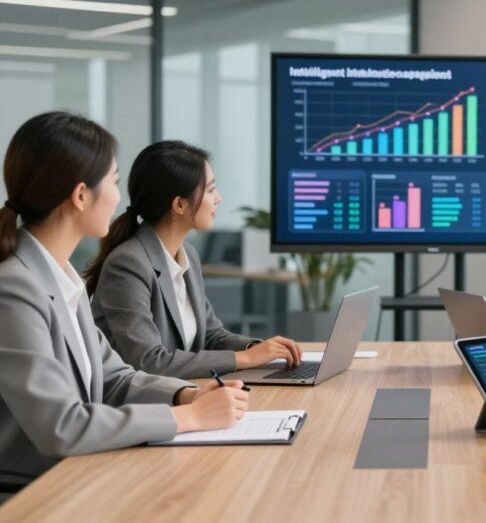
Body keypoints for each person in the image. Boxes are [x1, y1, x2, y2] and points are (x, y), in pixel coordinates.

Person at [0, 112, 248, 492]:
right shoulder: (14, 290)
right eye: (113, 182)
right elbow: (62, 427)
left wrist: (186, 394)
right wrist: (190, 418)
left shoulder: (62, 278)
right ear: (81, 195)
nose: (119, 197)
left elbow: (115, 378)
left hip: (82, 474)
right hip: (34, 493)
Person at [85, 141, 301, 379]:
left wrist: (257, 349)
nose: (218, 198)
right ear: (179, 204)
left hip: (186, 392)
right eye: (210, 190)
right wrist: (244, 359)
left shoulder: (187, 255)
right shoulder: (128, 264)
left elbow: (211, 336)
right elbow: (148, 361)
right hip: (138, 406)